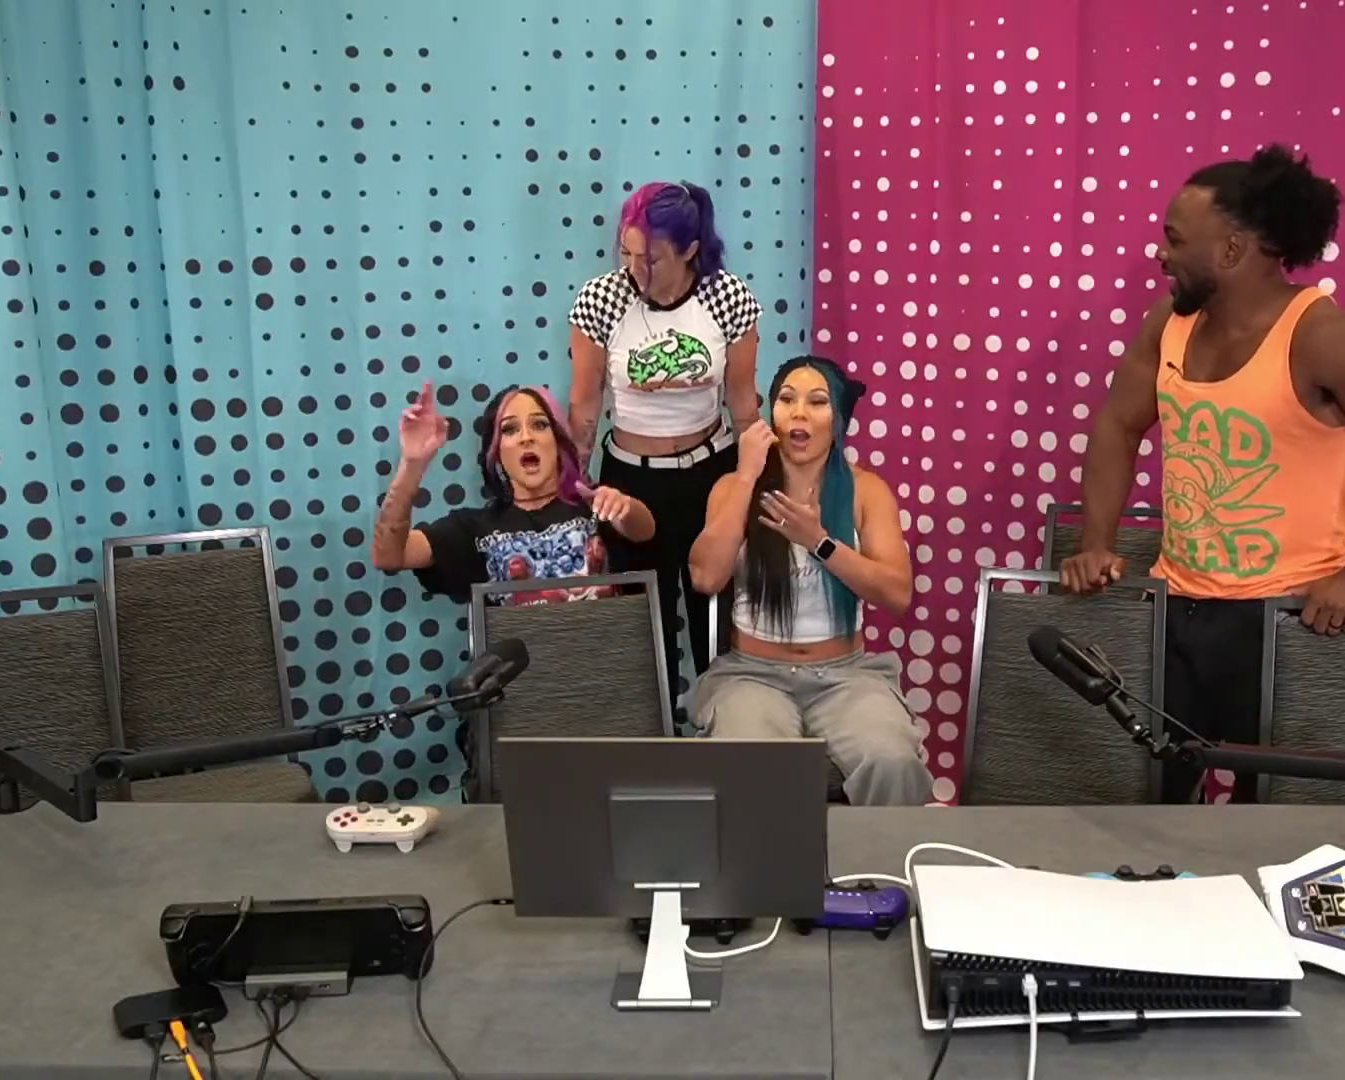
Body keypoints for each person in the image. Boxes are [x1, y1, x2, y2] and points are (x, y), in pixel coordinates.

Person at [1061, 144, 1345, 804]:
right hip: (1174, 610)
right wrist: (1097, 542)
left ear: (1231, 250)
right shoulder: (1167, 325)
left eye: (1175, 239)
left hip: (1289, 623)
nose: (1160, 254)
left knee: (1277, 818)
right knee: (1152, 801)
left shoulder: (1322, 337)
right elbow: (1117, 423)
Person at [685, 355, 935, 807]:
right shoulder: (732, 487)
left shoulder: (866, 490)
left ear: (838, 420)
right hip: (752, 676)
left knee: (892, 761)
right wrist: (746, 476)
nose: (799, 412)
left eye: (817, 402)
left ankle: (880, 856)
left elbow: (897, 593)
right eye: (786, 400)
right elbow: (704, 577)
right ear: (772, 415)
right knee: (752, 762)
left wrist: (820, 543)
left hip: (846, 676)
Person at [568, 180, 764, 716]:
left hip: (709, 475)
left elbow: (743, 402)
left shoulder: (728, 297)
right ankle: (653, 742)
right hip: (631, 481)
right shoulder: (602, 299)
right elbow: (585, 405)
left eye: (651, 259)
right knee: (642, 626)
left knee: (714, 622)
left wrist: (758, 481)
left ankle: (723, 733)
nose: (636, 270)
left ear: (690, 250)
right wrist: (573, 488)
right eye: (627, 255)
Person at [368, 381, 655, 607]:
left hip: (603, 659)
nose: (526, 437)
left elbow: (644, 530)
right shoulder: (474, 528)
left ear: (557, 441)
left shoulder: (594, 506)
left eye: (539, 425)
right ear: (496, 452)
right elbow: (388, 556)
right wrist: (412, 464)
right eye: (510, 429)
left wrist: (624, 506)